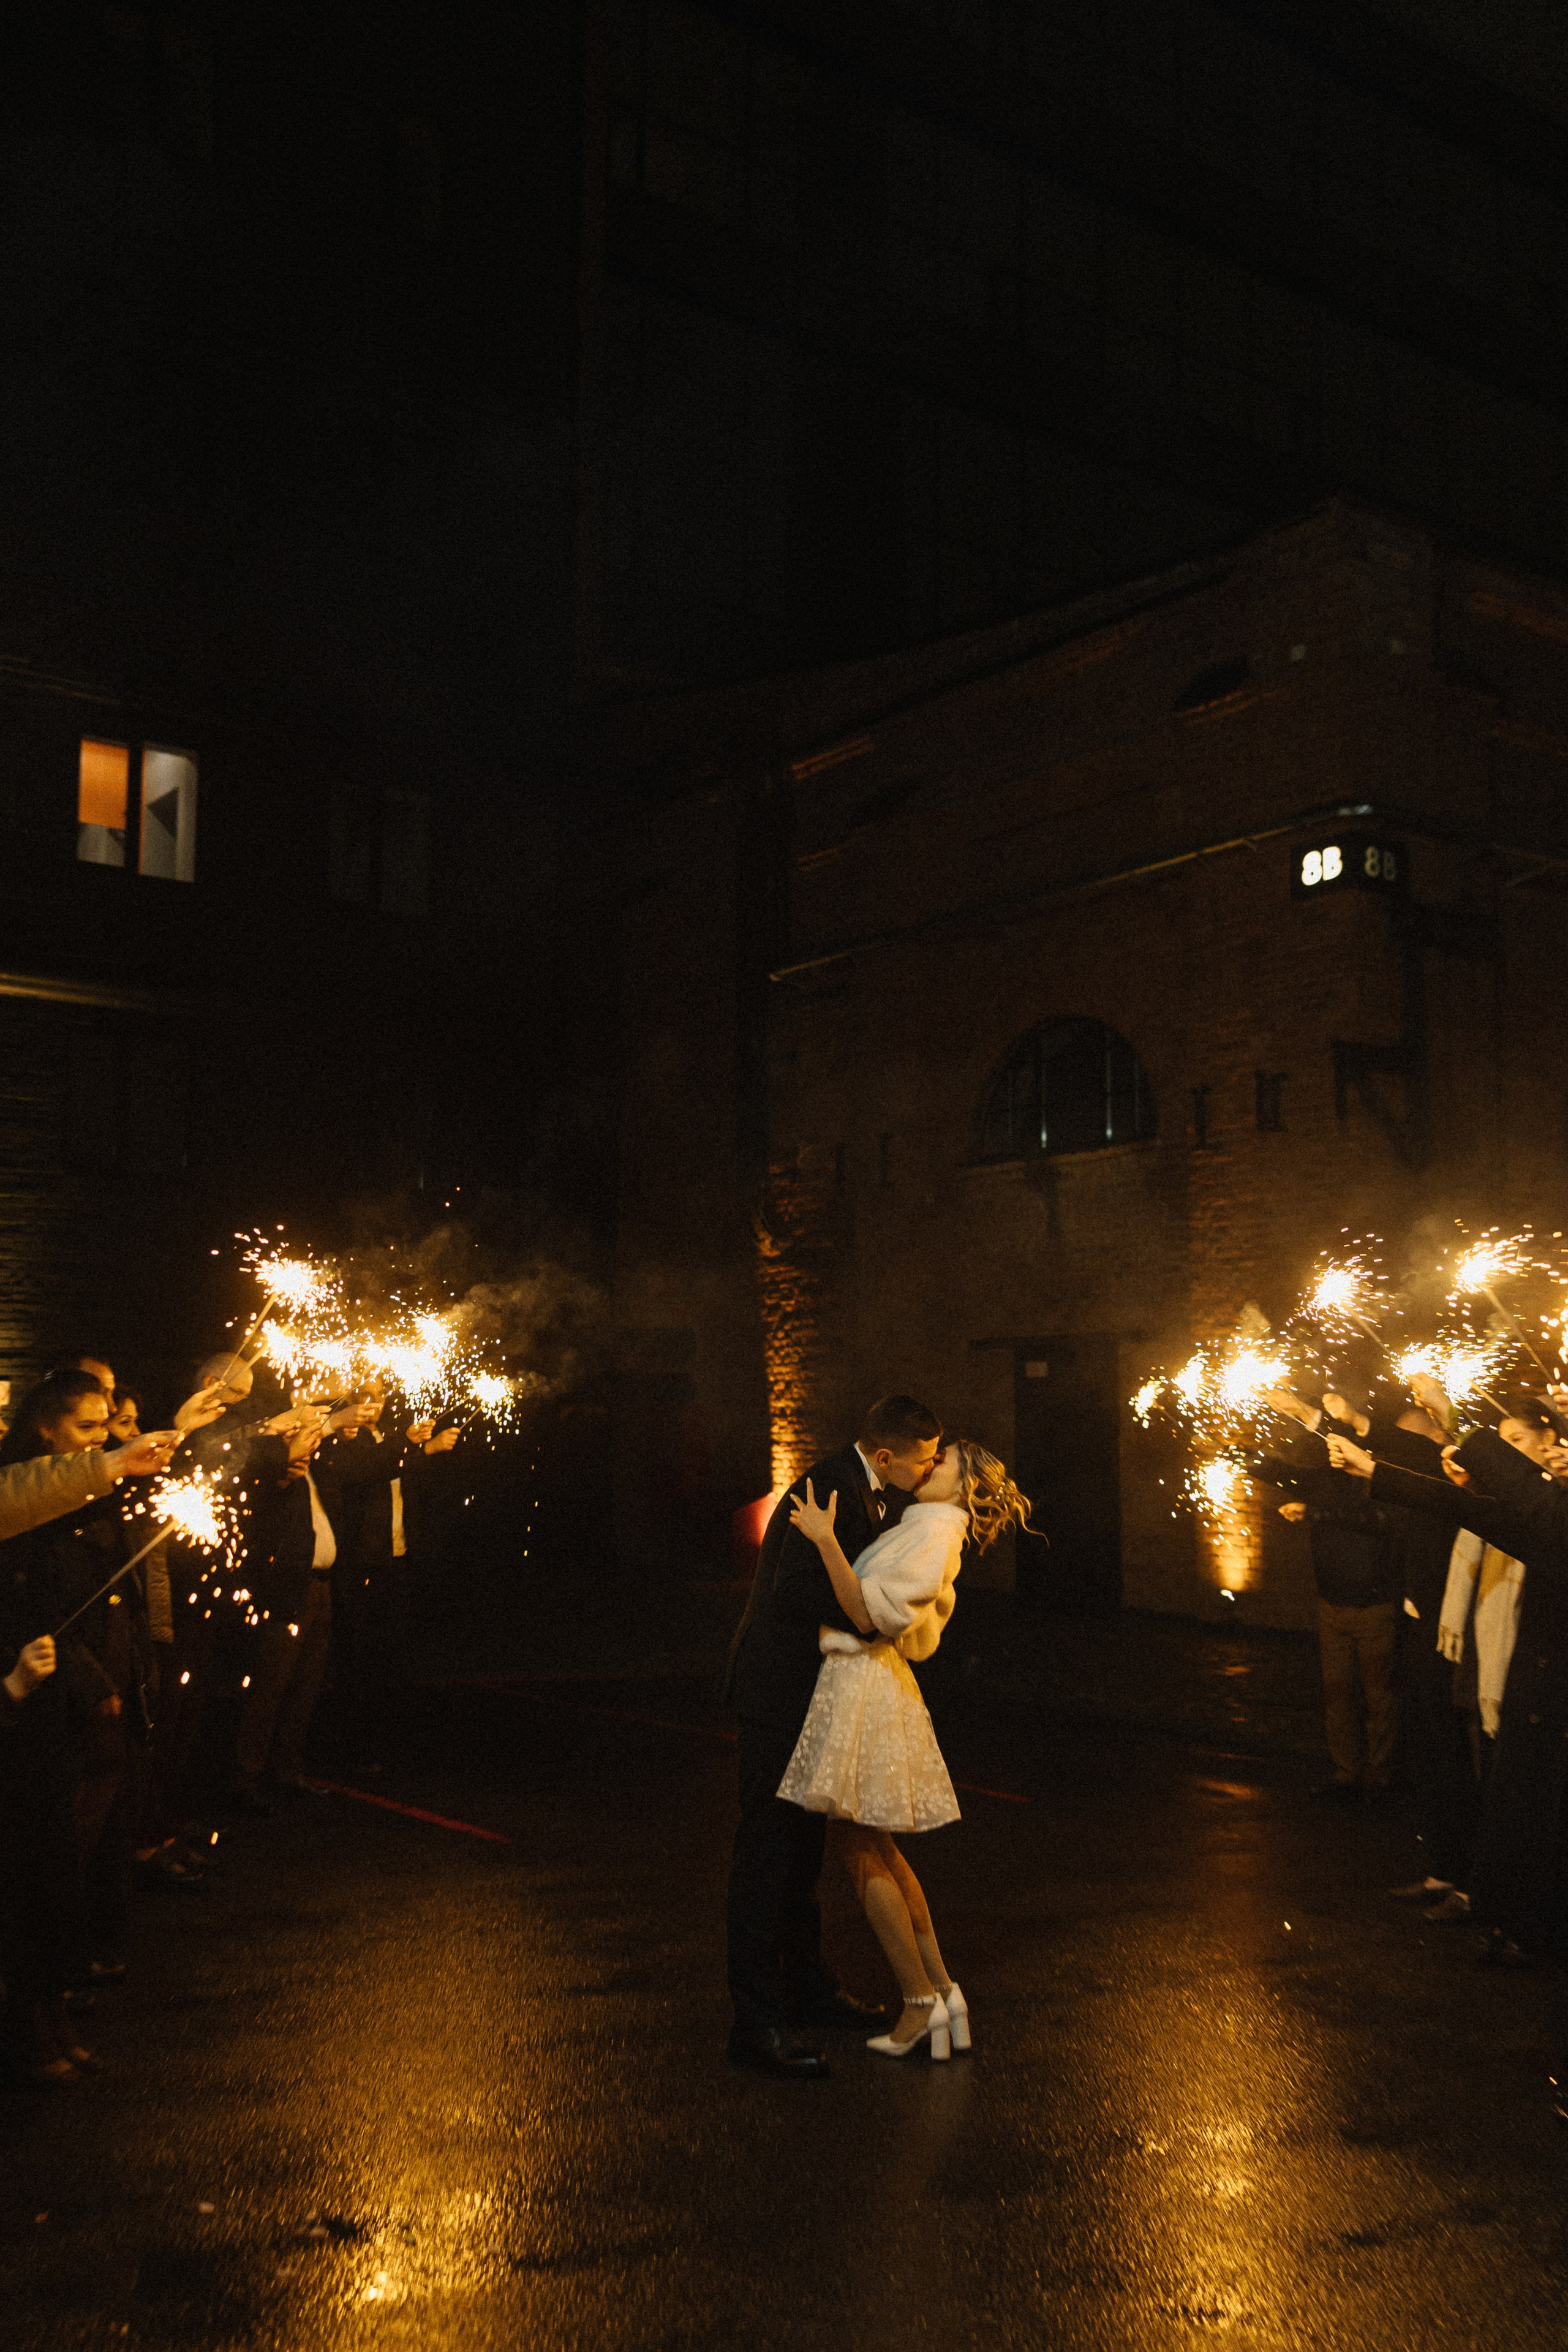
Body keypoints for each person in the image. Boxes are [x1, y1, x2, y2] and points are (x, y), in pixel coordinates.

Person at [782, 1438, 1031, 2058]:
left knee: (861, 1850)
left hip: (863, 1684)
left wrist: (823, 1538)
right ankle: (941, 1992)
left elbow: (867, 1614)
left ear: (964, 1486)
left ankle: (918, 2002)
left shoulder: (932, 1536)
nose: (929, 1465)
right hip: (869, 1682)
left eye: (941, 1461)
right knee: (878, 1847)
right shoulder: (926, 1528)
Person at [724, 1395, 943, 2079]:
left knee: (804, 1854)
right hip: (777, 1693)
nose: (931, 1468)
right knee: (768, 1855)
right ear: (884, 1457)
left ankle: (810, 1992)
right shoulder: (826, 1486)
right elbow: (793, 1592)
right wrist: (872, 1618)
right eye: (923, 1459)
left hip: (814, 1697)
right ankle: (756, 2023)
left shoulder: (875, 1489)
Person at [1250, 1392, 1402, 1801]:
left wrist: (1314, 1514)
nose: (1335, 1452)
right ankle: (1346, 1772)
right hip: (1332, 1606)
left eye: (1342, 1446)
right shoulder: (1323, 1478)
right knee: (1337, 1696)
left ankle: (1381, 1775)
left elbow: (1372, 1522)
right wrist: (1240, 1454)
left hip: (1374, 1608)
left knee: (1379, 1697)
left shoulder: (1380, 1484)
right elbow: (1286, 1475)